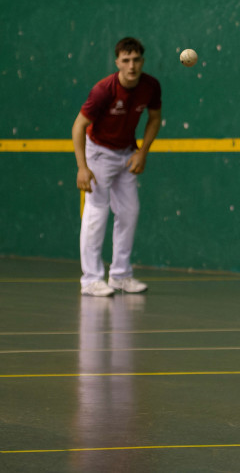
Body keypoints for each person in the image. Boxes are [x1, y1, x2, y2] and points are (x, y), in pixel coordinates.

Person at [72, 37, 162, 297]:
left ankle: (120, 276)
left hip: (127, 153)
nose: (131, 66)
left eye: (136, 60)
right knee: (97, 212)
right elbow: (78, 126)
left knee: (129, 212)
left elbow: (155, 118)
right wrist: (82, 167)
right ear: (117, 62)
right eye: (126, 60)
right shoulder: (104, 90)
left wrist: (142, 152)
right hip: (99, 153)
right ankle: (90, 280)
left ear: (142, 61)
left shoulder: (150, 86)